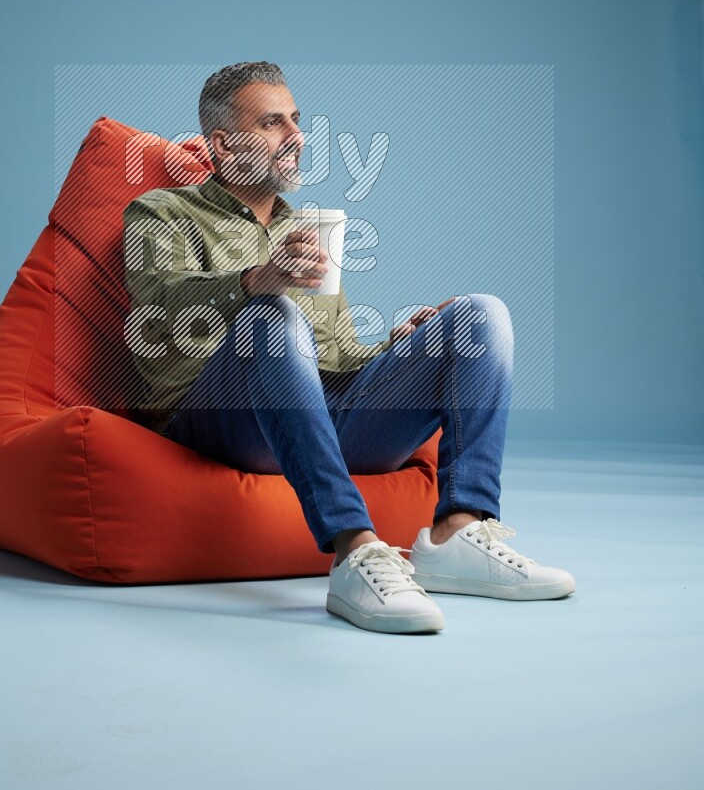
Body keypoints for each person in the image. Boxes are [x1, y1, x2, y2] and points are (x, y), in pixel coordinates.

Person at [123, 61, 575, 634]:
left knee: (479, 315)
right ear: (224, 142)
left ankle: (457, 532)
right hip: (218, 423)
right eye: (272, 123)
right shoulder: (162, 212)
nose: (297, 136)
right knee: (272, 315)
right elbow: (159, 308)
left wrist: (398, 348)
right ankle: (354, 550)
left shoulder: (308, 231)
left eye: (296, 119)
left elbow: (334, 359)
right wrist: (256, 281)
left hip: (314, 425)